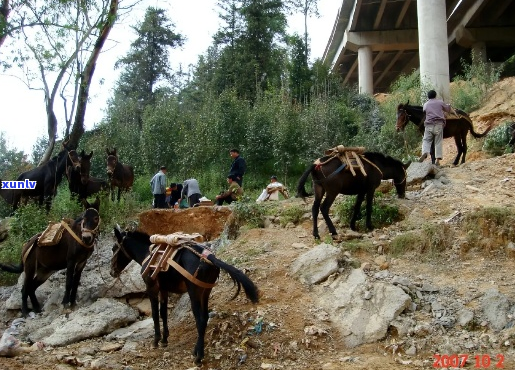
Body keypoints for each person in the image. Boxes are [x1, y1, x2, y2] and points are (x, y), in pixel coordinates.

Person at [418, 90, 456, 166]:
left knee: (426, 140)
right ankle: (437, 160)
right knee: (438, 142)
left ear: (428, 97)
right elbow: (448, 108)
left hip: (429, 126)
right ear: (435, 95)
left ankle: (424, 153)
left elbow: (424, 111)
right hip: (438, 125)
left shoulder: (425, 104)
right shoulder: (440, 102)